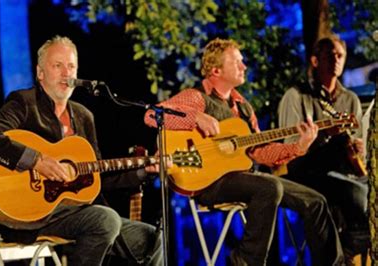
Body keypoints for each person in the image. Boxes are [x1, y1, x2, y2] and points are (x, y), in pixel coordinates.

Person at [144, 38, 344, 265]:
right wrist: (196, 117)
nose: (244, 66)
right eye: (237, 61)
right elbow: (152, 114)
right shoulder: (197, 97)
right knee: (270, 186)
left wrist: (299, 146)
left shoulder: (243, 107)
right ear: (216, 70)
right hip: (208, 182)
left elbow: (259, 152)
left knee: (316, 202)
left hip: (246, 178)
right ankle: (245, 261)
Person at [0, 35, 162, 266]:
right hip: (34, 216)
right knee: (105, 219)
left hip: (78, 214)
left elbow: (96, 179)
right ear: (40, 73)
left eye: (70, 66)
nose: (66, 73)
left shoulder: (83, 116)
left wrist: (143, 171)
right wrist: (35, 160)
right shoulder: (25, 104)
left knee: (153, 239)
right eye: (57, 65)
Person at [278, 35, 369, 261]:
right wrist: (323, 138)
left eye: (340, 55)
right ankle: (335, 258)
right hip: (305, 171)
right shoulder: (296, 96)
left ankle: (340, 254)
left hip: (344, 172)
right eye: (330, 55)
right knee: (358, 192)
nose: (336, 60)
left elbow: (357, 147)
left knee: (370, 189)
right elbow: (290, 150)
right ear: (315, 61)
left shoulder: (351, 100)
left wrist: (357, 148)